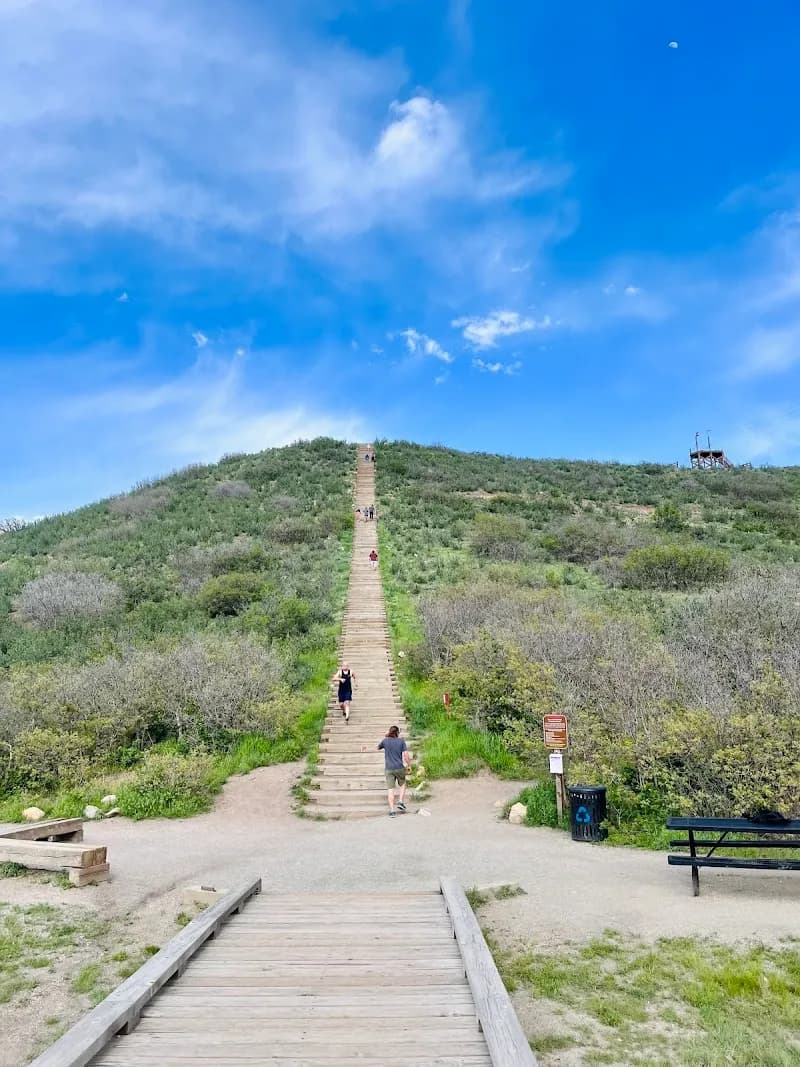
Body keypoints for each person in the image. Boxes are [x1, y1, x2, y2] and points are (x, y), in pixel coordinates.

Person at [378, 725, 410, 816]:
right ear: (397, 733)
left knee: (390, 789)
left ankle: (392, 811)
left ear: (389, 732)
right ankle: (400, 801)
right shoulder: (401, 741)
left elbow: (377, 747)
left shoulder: (385, 741)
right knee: (403, 784)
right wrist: (409, 765)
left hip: (389, 769)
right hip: (399, 767)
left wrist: (386, 736)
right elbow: (406, 755)